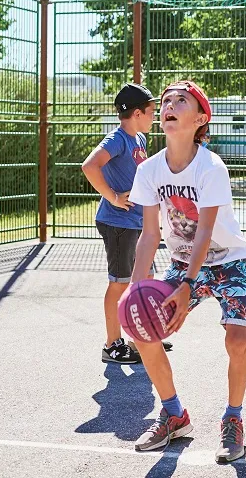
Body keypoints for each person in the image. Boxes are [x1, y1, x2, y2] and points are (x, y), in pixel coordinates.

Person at [128, 80, 246, 464]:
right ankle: (174, 414)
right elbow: (150, 235)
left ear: (200, 118)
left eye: (181, 100)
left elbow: (204, 231)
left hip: (227, 260)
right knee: (141, 329)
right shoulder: (148, 170)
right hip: (182, 262)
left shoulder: (210, 166)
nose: (169, 104)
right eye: (166, 100)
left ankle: (233, 419)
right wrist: (136, 288)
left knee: (236, 341)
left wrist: (186, 285)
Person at [82, 83, 170, 364]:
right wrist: (113, 197)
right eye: (151, 112)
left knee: (146, 279)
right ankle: (112, 345)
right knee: (120, 284)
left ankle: (140, 339)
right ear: (136, 114)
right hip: (118, 223)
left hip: (137, 224)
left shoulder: (139, 140)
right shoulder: (117, 139)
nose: (154, 117)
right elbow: (89, 166)